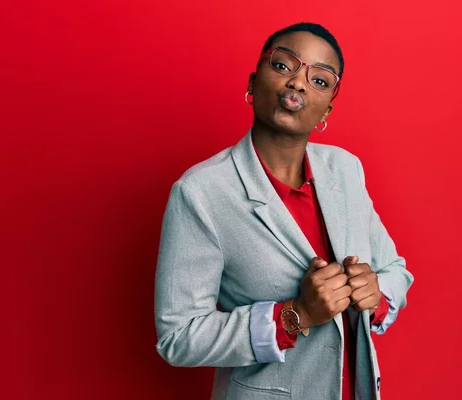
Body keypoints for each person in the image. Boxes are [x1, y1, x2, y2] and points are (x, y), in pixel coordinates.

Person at [154, 22, 414, 400]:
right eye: (283, 66)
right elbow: (178, 337)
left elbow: (395, 271)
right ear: (252, 82)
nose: (298, 84)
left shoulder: (345, 169)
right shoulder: (200, 193)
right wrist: (296, 315)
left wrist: (376, 293)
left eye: (320, 80)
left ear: (327, 109)